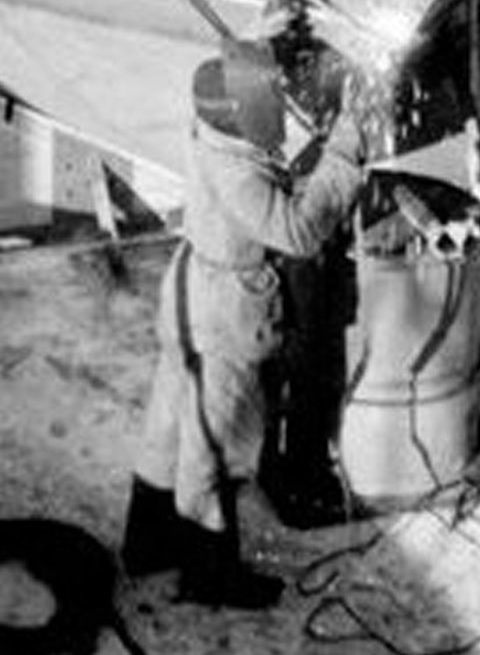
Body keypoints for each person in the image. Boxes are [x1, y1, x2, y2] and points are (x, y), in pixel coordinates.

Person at [121, 36, 367, 607]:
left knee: (169, 424)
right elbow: (298, 233)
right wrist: (345, 147)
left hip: (190, 292)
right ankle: (209, 574)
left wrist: (275, 39)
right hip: (224, 315)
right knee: (215, 446)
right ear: (247, 112)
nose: (280, 105)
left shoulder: (209, 130)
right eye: (272, 99)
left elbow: (245, 90)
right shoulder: (237, 175)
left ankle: (147, 543)